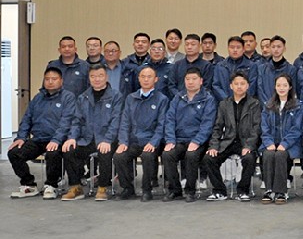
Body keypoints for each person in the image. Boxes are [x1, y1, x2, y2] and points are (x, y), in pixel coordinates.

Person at [8, 67, 76, 199]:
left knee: (53, 154)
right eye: (47, 79)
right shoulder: (38, 98)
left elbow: (66, 122)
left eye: (54, 79)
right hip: (38, 139)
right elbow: (27, 118)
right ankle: (29, 185)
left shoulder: (68, 97)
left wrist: (56, 140)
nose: (50, 82)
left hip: (58, 140)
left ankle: (51, 185)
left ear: (61, 81)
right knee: (14, 153)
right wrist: (21, 137)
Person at [61, 64, 124, 201]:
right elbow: (76, 121)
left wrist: (107, 140)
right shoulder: (83, 97)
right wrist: (72, 137)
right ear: (89, 78)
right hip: (87, 139)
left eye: (100, 76)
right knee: (69, 150)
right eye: (93, 76)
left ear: (106, 77)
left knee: (105, 151)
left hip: (108, 138)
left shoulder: (116, 96)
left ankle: (103, 187)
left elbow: (116, 121)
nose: (97, 79)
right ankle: (76, 187)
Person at [204, 71, 261, 201]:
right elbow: (217, 127)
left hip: (245, 142)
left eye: (242, 84)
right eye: (236, 84)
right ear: (231, 86)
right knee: (209, 158)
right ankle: (219, 191)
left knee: (249, 158)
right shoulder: (224, 104)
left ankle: (243, 191)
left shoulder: (255, 104)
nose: (239, 86)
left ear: (248, 86)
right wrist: (213, 146)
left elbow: (256, 128)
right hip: (228, 142)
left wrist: (249, 145)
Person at [114, 66, 169, 201]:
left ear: (156, 79)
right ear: (138, 79)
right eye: (143, 76)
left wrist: (153, 142)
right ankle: (128, 188)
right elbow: (125, 122)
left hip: (152, 141)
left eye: (149, 77)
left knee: (147, 155)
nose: (146, 79)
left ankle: (147, 189)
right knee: (119, 156)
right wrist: (123, 142)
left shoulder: (162, 99)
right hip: (134, 140)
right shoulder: (130, 98)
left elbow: (162, 125)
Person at [162, 67, 217, 201]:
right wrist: (170, 140)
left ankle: (190, 190)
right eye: (187, 79)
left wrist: (197, 141)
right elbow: (169, 120)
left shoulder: (208, 99)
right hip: (179, 139)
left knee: (191, 155)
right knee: (167, 154)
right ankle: (175, 190)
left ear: (201, 81)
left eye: (194, 79)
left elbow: (207, 124)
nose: (190, 82)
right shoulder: (178, 98)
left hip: (199, 141)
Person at [260, 74, 303, 204]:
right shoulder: (268, 105)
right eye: (278, 85)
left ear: (290, 87)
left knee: (280, 155)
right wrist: (268, 142)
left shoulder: (297, 106)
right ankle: (269, 190)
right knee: (267, 154)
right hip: (271, 142)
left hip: (290, 144)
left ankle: (281, 191)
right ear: (275, 87)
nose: (281, 88)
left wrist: (285, 143)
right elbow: (264, 127)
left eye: (285, 85)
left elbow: (297, 129)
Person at [212, 36, 259, 101]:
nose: (235, 50)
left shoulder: (251, 66)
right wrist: (227, 101)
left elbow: (252, 86)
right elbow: (216, 86)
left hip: (246, 103)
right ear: (228, 48)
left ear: (243, 49)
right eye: (232, 47)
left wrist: (241, 100)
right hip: (224, 103)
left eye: (238, 47)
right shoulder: (220, 66)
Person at [168, 33, 214, 98]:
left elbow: (207, 87)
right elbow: (171, 85)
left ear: (199, 46)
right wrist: (181, 97)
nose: (189, 47)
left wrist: (193, 98)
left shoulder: (207, 66)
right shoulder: (177, 65)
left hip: (200, 101)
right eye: (187, 44)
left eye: (193, 44)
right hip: (179, 100)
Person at [257, 35, 298, 103]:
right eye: (273, 47)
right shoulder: (262, 69)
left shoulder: (291, 69)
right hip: (266, 106)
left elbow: (292, 90)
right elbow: (260, 90)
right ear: (270, 48)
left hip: (285, 106)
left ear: (284, 48)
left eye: (279, 47)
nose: (276, 49)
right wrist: (267, 105)